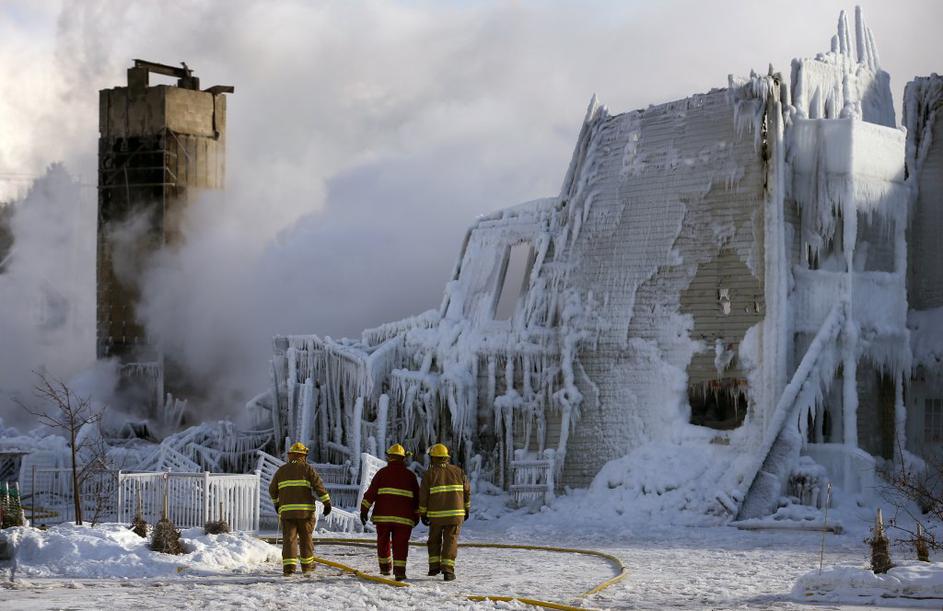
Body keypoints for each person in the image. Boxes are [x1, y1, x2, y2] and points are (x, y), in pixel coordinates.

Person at [269, 441, 331, 576]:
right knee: (306, 539)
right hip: (305, 513)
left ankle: (289, 569)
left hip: (287, 513)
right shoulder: (307, 469)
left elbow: (272, 490)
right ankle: (307, 568)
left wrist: (277, 504)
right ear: (303, 455)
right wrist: (327, 503)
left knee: (289, 540)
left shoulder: (281, 470)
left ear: (291, 455)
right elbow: (319, 487)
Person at [360, 443, 420, 581]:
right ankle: (400, 572)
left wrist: (364, 511)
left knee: (383, 542)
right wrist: (417, 515)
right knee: (401, 545)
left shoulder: (381, 474)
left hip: (383, 518)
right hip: (404, 519)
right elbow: (418, 498)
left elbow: (370, 494)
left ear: (389, 458)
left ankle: (385, 569)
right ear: (403, 459)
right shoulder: (410, 476)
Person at [418, 443, 470, 581]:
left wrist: (422, 513)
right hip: (455, 515)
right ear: (446, 457)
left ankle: (434, 568)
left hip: (436, 516)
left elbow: (423, 496)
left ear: (433, 458)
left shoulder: (429, 474)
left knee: (434, 540)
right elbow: (467, 491)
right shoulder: (459, 471)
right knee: (450, 541)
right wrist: (467, 508)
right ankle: (448, 571)